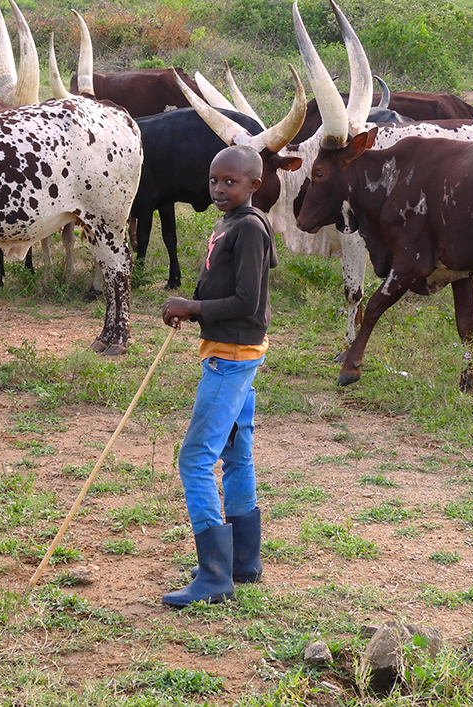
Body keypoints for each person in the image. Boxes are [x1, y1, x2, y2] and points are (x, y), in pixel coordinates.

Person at [160, 144, 277, 607]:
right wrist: (194, 309)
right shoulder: (231, 223)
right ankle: (242, 562)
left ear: (254, 185)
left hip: (230, 358)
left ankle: (213, 576)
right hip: (233, 352)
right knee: (236, 453)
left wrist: (193, 307)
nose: (219, 188)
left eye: (231, 182)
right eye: (214, 181)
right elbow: (225, 282)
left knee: (194, 459)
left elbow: (248, 301)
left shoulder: (249, 227)